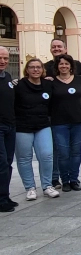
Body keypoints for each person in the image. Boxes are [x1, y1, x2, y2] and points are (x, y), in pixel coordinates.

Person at [14, 59, 59, 200]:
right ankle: (30, 188)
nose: (35, 70)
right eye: (32, 67)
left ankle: (47, 186)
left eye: (38, 67)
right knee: (24, 158)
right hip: (22, 126)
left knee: (46, 155)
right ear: (26, 70)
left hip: (43, 125)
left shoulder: (48, 84)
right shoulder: (19, 85)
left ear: (42, 70)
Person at [50, 54, 81, 192]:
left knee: (76, 152)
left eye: (66, 64)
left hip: (78, 121)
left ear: (71, 66)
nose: (64, 66)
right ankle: (65, 180)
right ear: (57, 66)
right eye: (61, 64)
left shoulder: (79, 79)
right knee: (63, 153)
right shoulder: (51, 82)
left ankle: (74, 179)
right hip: (59, 123)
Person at [0, 47, 17, 211]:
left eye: (5, 58)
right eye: (0, 58)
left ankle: (5, 195)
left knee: (8, 162)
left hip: (10, 126)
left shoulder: (8, 77)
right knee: (2, 163)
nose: (3, 61)